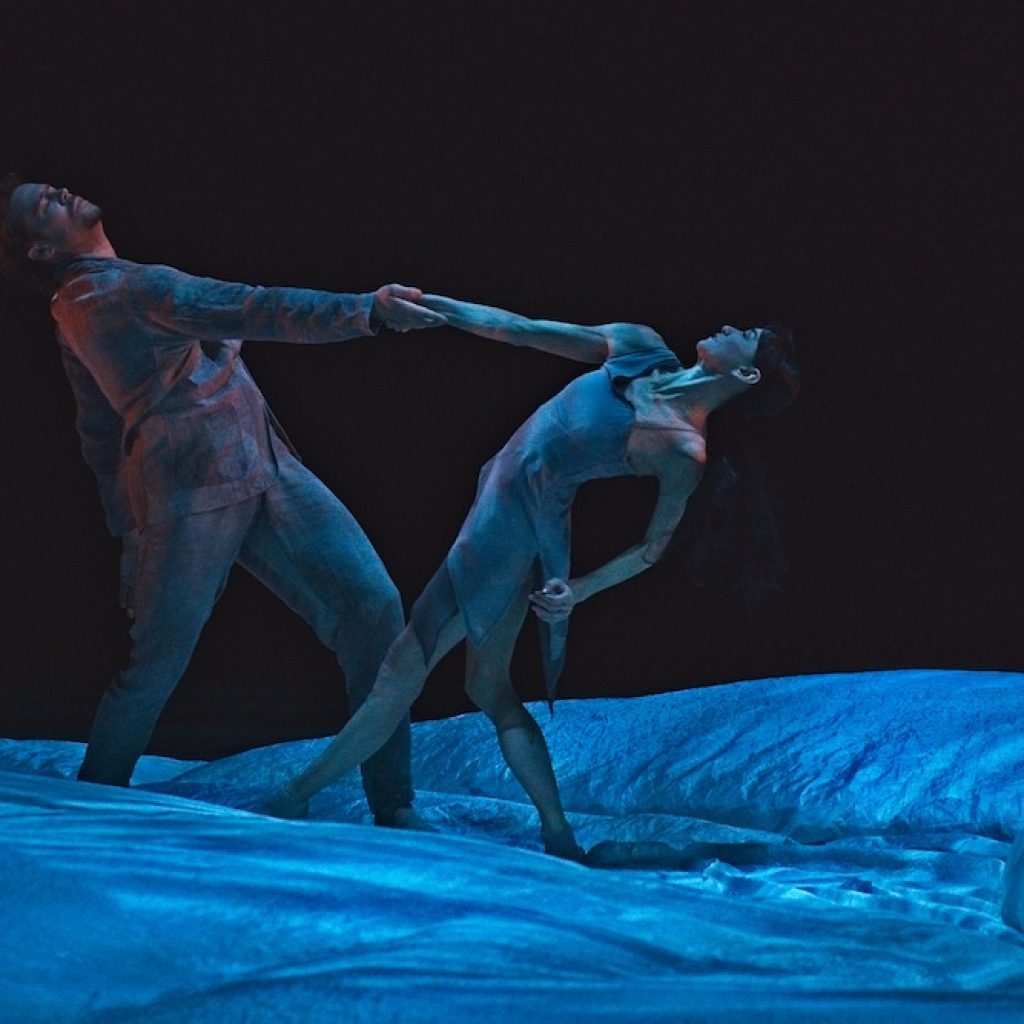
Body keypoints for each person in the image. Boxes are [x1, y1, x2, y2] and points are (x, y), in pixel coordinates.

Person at [263, 294, 799, 859]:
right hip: (503, 515)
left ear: (746, 371)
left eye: (748, 333)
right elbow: (519, 329)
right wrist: (436, 308)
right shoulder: (639, 346)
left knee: (401, 669)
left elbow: (652, 548)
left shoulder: (680, 446)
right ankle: (559, 835)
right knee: (487, 688)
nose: (730, 324)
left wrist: (579, 592)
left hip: (506, 535)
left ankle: (293, 794)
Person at [0, 174, 446, 829]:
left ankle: (394, 800)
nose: (60, 194)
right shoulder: (122, 289)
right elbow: (255, 307)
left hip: (262, 463)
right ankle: (90, 810)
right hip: (196, 487)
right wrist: (370, 309)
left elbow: (100, 429)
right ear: (41, 250)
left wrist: (127, 533)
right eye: (44, 206)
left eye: (53, 189)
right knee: (155, 661)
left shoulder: (77, 307)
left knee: (372, 610)